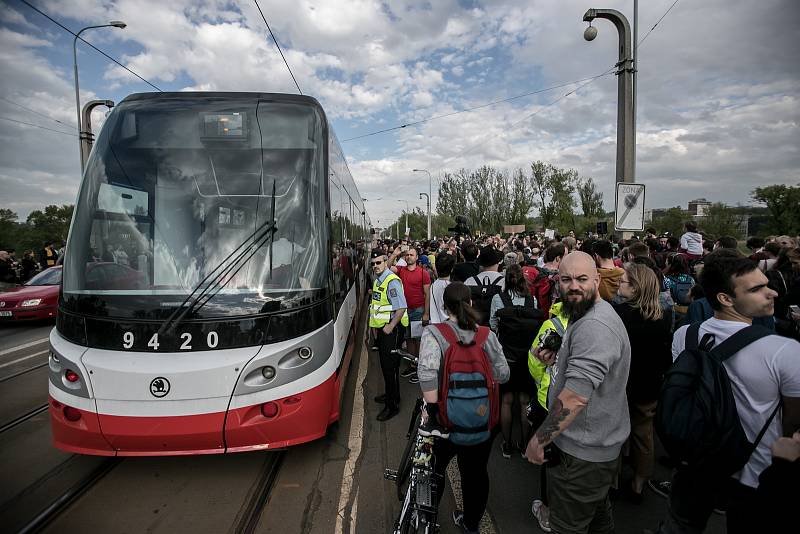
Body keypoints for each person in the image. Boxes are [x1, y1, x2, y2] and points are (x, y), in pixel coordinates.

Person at [657, 253, 800, 534]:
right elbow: (792, 424)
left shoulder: (685, 335)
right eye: (756, 289)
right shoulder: (785, 352)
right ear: (725, 298)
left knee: (681, 525)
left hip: (695, 458)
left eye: (766, 284)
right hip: (754, 470)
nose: (771, 292)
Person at [526, 251, 631, 534]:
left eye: (582, 279)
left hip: (583, 454)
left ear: (597, 280)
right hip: (593, 448)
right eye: (567, 279)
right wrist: (558, 358)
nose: (574, 286)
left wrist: (540, 438)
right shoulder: (586, 314)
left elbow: (576, 397)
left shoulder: (595, 326)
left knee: (567, 526)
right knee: (597, 518)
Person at [416, 282, 510, 534]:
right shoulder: (486, 335)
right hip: (482, 420)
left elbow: (426, 373)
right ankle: (470, 523)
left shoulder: (435, 334)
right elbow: (502, 374)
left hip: (445, 421)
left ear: (444, 307)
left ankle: (429, 519)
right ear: (470, 303)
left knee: (434, 468)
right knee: (476, 473)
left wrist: (433, 410)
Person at [613, 264, 673, 502]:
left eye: (623, 282)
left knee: (615, 433)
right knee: (643, 435)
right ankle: (639, 482)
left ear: (636, 288)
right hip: (649, 386)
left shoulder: (619, 314)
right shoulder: (663, 316)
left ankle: (612, 480)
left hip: (621, 385)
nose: (619, 285)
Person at [489, 264, 541, 459]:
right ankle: (524, 445)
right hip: (527, 357)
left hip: (507, 356)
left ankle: (507, 444)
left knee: (507, 401)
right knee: (524, 401)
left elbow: (493, 325)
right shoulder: (532, 300)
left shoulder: (498, 299)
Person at [527, 300, 570, 533]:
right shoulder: (594, 322)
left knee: (549, 456)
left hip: (550, 399)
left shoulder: (551, 325)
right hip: (581, 404)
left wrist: (541, 378)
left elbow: (534, 360)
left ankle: (546, 509)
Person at [368, 250, 409, 421]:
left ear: (385, 262)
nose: (375, 266)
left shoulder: (391, 281)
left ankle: (392, 406)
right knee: (386, 367)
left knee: (390, 368)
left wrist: (390, 326)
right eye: (373, 264)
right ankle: (392, 395)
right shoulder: (380, 278)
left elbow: (401, 307)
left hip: (392, 330)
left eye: (378, 262)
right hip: (385, 330)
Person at [390, 246, 431, 383]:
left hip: (418, 311)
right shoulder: (401, 270)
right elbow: (388, 267)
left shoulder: (423, 273)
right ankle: (413, 365)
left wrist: (426, 313)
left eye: (411, 254)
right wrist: (395, 254)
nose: (408, 257)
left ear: (417, 257)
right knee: (408, 339)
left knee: (418, 341)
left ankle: (420, 369)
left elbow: (427, 294)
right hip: (404, 312)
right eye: (407, 255)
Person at [429, 252, 455, 324]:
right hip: (449, 325)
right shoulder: (451, 287)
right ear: (452, 269)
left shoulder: (433, 285)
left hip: (435, 324)